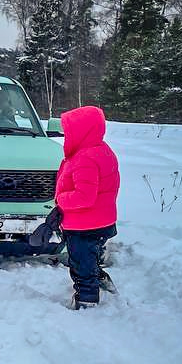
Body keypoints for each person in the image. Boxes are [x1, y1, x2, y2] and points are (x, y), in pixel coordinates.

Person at [54, 105, 120, 310]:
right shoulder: (101, 151)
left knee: (81, 263)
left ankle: (87, 300)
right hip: (99, 221)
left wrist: (61, 199)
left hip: (85, 225)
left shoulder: (85, 158)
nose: (65, 135)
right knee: (89, 257)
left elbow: (85, 196)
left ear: (82, 131)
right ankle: (99, 278)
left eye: (69, 131)